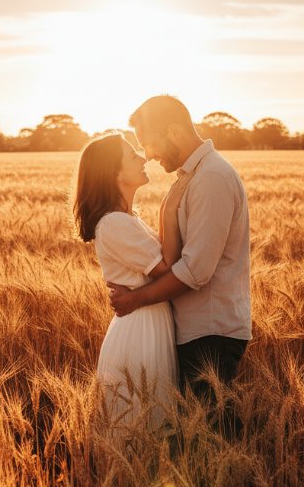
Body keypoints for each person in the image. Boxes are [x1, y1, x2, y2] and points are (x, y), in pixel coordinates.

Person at [108, 95, 251, 406]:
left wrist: (135, 299)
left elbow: (196, 271)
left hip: (211, 334)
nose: (148, 155)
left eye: (149, 143)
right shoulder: (194, 177)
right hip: (198, 332)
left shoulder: (211, 177)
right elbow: (171, 256)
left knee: (212, 431)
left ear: (174, 131)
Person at [73, 133, 191, 429]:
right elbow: (167, 268)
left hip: (149, 322)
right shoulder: (114, 223)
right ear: (114, 173)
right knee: (142, 426)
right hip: (141, 331)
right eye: (132, 155)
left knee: (151, 424)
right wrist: (169, 208)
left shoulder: (127, 219)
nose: (143, 157)